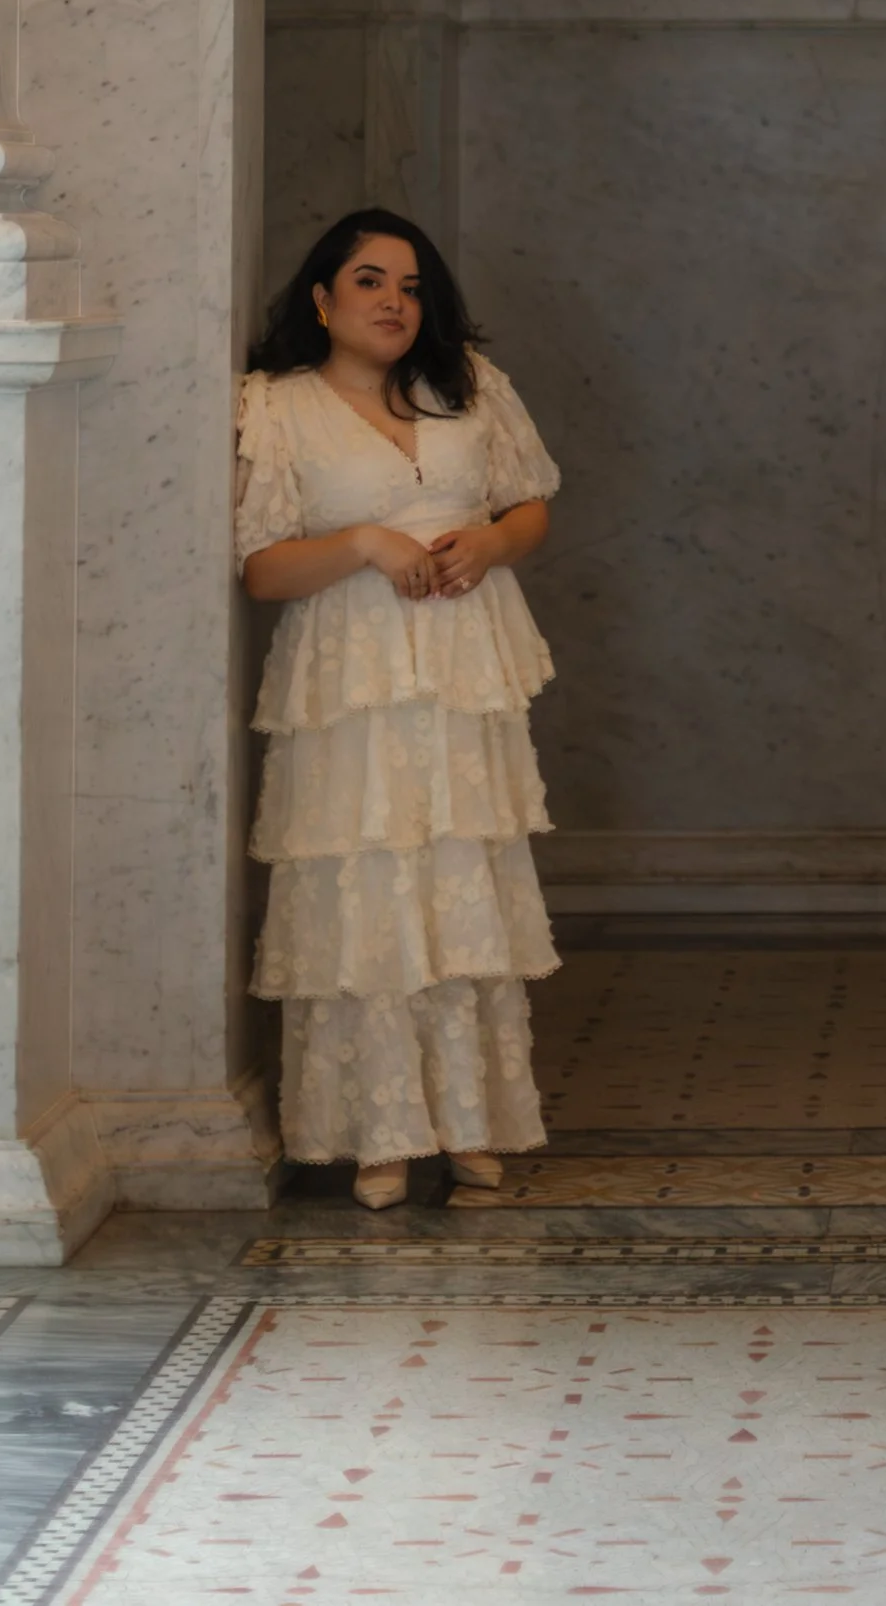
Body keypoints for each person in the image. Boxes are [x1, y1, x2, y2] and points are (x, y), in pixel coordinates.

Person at [235, 210, 561, 1210]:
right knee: (365, 890)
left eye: (411, 287)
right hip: (350, 681)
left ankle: (470, 1123)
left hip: (466, 670)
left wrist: (493, 545)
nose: (393, 303)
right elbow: (261, 569)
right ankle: (378, 1132)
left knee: (462, 879)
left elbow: (530, 502)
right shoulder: (274, 407)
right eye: (370, 282)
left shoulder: (468, 385)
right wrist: (371, 543)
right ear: (323, 299)